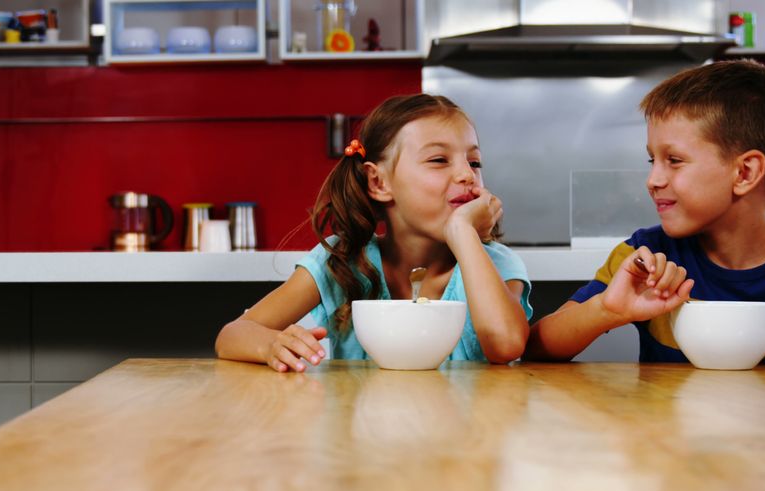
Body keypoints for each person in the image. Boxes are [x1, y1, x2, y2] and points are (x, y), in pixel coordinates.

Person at [525, 59, 765, 366]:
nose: (652, 179)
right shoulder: (642, 259)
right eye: (652, 160)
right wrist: (607, 310)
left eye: (674, 161)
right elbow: (537, 347)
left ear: (745, 173)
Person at [216, 94, 532, 372]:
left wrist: (463, 232)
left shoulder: (494, 263)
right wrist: (271, 344)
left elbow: (506, 345)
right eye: (439, 160)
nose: (467, 174)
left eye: (474, 161)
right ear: (379, 182)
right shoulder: (343, 260)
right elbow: (232, 334)